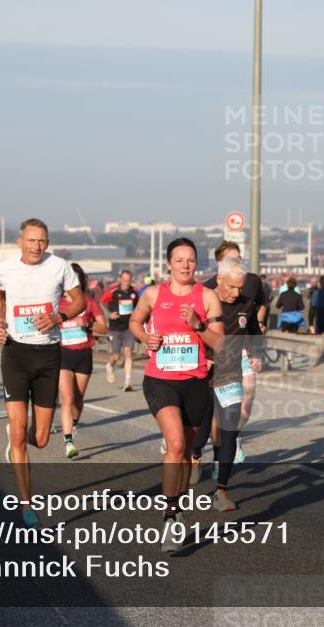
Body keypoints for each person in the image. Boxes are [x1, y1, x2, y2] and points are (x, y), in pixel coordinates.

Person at [129, 237, 224, 552]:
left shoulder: (208, 297)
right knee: (177, 444)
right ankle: (170, 517)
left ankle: (178, 508)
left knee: (184, 456)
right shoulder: (154, 293)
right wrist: (146, 337)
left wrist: (198, 325)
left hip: (196, 383)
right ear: (168, 263)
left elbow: (221, 344)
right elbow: (134, 321)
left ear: (197, 264)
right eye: (179, 259)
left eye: (191, 259)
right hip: (160, 380)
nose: (185, 265)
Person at [0, 219, 84, 528]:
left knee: (41, 439)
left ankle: (19, 436)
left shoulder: (59, 267)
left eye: (42, 241)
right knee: (19, 433)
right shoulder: (4, 269)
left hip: (47, 357)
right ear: (20, 241)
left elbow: (80, 300)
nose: (37, 246)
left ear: (48, 242)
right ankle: (26, 504)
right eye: (31, 241)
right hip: (16, 354)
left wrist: (59, 316)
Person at [191, 257, 262, 511]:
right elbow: (189, 333)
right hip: (202, 375)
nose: (236, 293)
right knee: (199, 432)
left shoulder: (247, 305)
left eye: (240, 288)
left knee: (229, 431)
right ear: (219, 279)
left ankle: (222, 490)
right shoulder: (203, 301)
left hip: (230, 374)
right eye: (231, 287)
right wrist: (203, 358)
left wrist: (256, 357)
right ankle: (196, 455)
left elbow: (254, 333)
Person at [58, 262, 107, 459]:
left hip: (83, 355)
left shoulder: (89, 302)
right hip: (63, 355)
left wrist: (88, 324)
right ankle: (68, 441)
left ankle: (74, 424)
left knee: (78, 400)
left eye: (75, 279)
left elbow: (104, 328)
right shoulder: (56, 302)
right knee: (67, 399)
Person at [205, 242, 267, 332]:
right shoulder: (207, 289)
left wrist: (259, 323)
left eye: (238, 259)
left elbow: (261, 303)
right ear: (219, 263)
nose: (236, 293)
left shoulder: (253, 280)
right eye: (231, 260)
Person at [103, 270, 139, 392]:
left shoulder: (134, 292)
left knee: (128, 352)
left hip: (129, 326)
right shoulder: (113, 291)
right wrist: (109, 314)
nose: (126, 282)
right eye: (124, 280)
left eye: (129, 280)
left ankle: (127, 382)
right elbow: (101, 302)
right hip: (115, 327)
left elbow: (139, 306)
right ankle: (109, 365)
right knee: (116, 356)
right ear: (120, 279)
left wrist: (136, 314)